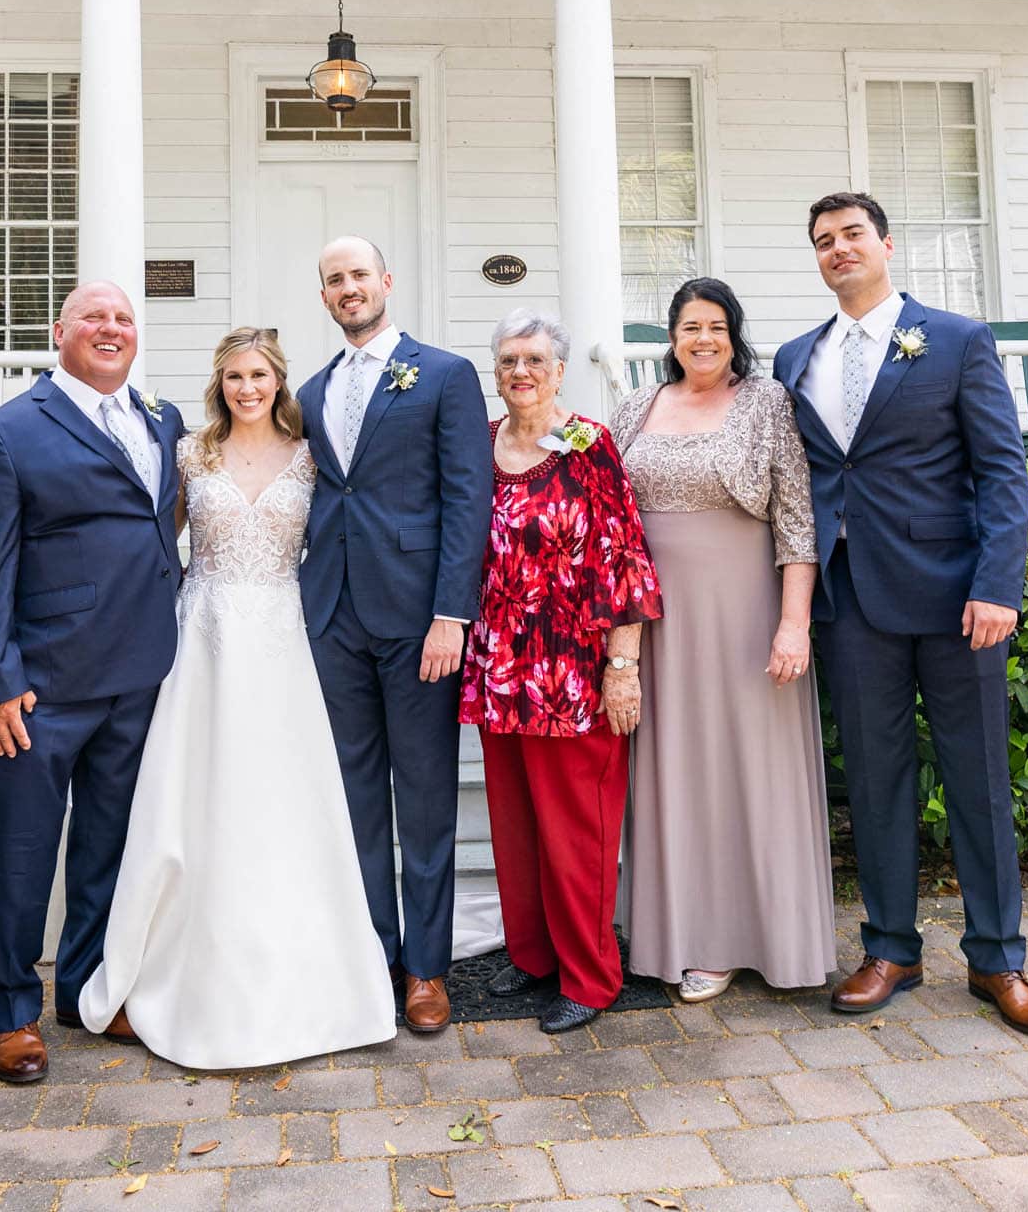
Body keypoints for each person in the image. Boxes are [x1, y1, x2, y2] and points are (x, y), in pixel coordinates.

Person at [773, 191, 1028, 1038]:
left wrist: (998, 584)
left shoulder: (959, 340)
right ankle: (890, 948)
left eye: (851, 234)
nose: (837, 249)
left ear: (886, 244)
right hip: (850, 597)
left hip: (954, 596)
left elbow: (1003, 472)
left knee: (977, 780)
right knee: (875, 779)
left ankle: (998, 959)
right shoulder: (797, 357)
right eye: (822, 240)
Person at [77, 328, 397, 1067]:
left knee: (284, 801)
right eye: (232, 377)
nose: (245, 388)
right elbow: (156, 544)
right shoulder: (192, 454)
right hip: (206, 637)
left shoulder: (314, 457)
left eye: (257, 376)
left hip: (284, 638)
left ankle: (308, 966)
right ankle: (174, 958)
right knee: (197, 793)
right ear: (218, 384)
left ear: (279, 381)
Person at [0, 281, 186, 1082]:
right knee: (22, 853)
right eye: (95, 318)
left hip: (141, 671)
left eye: (124, 318)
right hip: (42, 685)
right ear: (61, 332)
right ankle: (11, 1012)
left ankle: (87, 989)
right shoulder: (6, 431)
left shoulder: (164, 421)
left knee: (108, 845)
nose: (111, 329)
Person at [612, 277, 837, 1002]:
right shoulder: (634, 407)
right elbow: (603, 512)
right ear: (670, 339)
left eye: (714, 326)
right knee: (676, 772)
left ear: (732, 332)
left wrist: (793, 623)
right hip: (656, 623)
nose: (701, 339)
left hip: (744, 613)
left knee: (749, 772)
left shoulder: (766, 402)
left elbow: (797, 521)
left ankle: (757, 939)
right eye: (687, 328)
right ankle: (683, 935)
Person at [297, 235, 492, 1033]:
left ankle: (427, 970)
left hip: (419, 621)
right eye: (333, 280)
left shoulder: (444, 376)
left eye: (358, 275)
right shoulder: (306, 393)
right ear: (325, 297)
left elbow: (467, 500)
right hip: (332, 616)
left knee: (424, 797)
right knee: (354, 801)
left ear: (387, 280)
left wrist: (452, 614)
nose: (349, 289)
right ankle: (374, 954)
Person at [461, 310, 662, 1034]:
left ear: (559, 371)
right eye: (509, 359)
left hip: (572, 673)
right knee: (514, 824)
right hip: (498, 668)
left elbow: (628, 559)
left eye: (535, 361)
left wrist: (622, 666)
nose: (521, 372)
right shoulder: (478, 444)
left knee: (577, 827)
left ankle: (590, 975)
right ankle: (534, 952)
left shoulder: (587, 444)